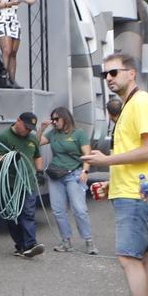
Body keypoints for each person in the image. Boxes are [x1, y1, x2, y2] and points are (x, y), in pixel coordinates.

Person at [83, 54, 148, 296]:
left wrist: (107, 160)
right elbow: (141, 153)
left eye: (113, 72)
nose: (108, 78)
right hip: (138, 191)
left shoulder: (141, 103)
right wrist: (113, 180)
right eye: (104, 74)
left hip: (136, 195)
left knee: (129, 258)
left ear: (131, 73)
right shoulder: (134, 104)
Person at [0, 112, 46, 258]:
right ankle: (20, 246)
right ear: (18, 121)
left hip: (27, 183)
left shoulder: (32, 139)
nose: (27, 131)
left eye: (30, 129)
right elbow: (0, 158)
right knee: (12, 216)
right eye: (26, 127)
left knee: (28, 213)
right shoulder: (3, 137)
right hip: (9, 184)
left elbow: (37, 156)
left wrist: (40, 171)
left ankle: (30, 244)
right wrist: (13, 156)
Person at [41, 106, 94, 253]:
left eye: (57, 119)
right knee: (58, 210)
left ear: (66, 118)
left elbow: (87, 154)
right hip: (56, 175)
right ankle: (66, 241)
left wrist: (85, 170)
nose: (54, 122)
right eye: (53, 119)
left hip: (74, 174)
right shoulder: (52, 133)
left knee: (79, 209)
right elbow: (36, 143)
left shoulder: (79, 134)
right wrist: (42, 128)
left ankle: (89, 241)